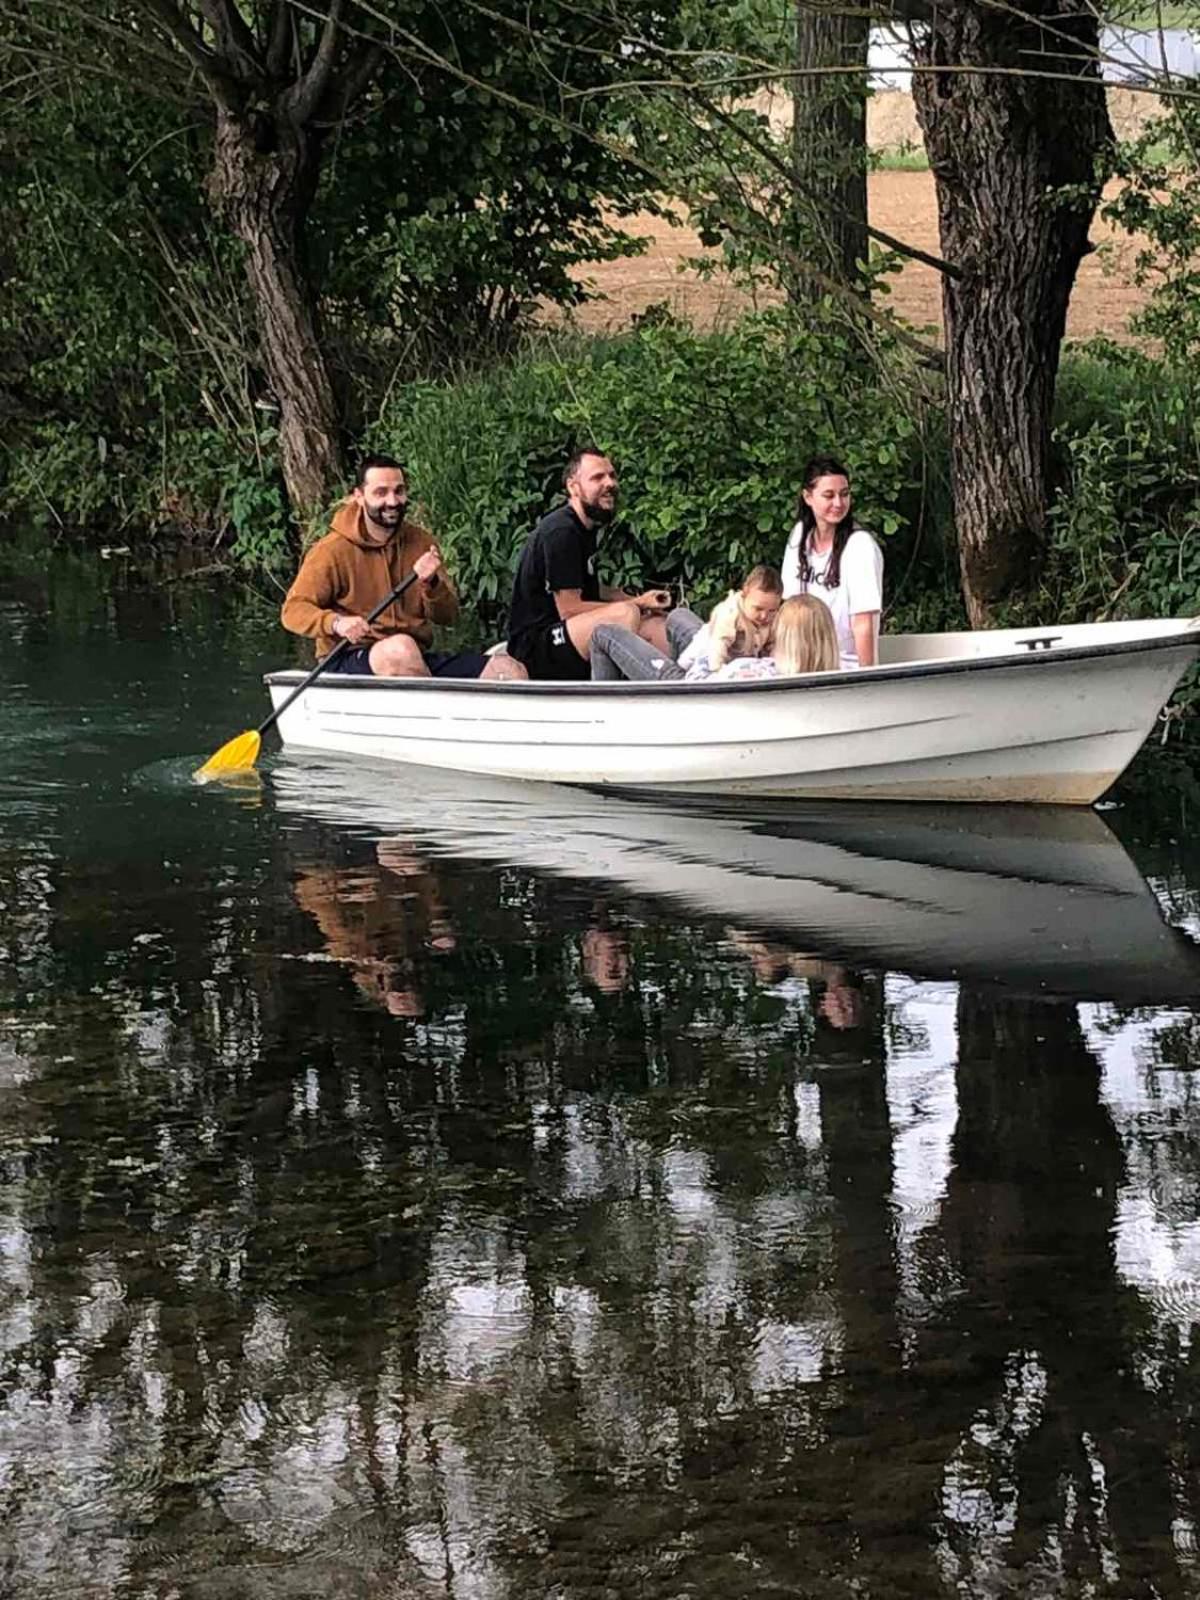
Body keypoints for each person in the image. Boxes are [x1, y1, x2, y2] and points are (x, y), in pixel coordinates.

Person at [281, 454, 525, 680]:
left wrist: (432, 585)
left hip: (414, 659)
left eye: (399, 491)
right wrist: (336, 623)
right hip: (349, 658)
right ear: (359, 496)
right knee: (400, 650)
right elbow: (293, 611)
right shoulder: (332, 550)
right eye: (381, 493)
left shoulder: (421, 542)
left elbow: (448, 617)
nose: (392, 501)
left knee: (509, 669)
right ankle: (440, 717)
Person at [506, 446, 672, 681]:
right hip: (536, 648)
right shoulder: (562, 532)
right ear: (573, 487)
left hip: (568, 635)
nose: (610, 483)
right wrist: (635, 604)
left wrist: (641, 600)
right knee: (624, 615)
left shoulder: (585, 528)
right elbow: (569, 608)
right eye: (597, 477)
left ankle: (686, 682)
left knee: (657, 623)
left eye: (612, 475)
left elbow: (589, 588)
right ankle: (623, 693)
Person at [590, 564, 783, 683]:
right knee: (678, 615)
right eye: (758, 609)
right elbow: (718, 646)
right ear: (744, 593)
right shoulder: (730, 615)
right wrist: (717, 670)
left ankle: (672, 686)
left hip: (703, 681)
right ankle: (678, 676)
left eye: (771, 611)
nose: (764, 616)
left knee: (603, 634)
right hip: (710, 669)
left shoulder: (769, 626)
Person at [781, 454, 883, 669]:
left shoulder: (859, 546)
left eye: (844, 494)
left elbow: (863, 622)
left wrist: (867, 680)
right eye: (829, 495)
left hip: (843, 664)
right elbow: (788, 606)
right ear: (808, 497)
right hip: (800, 661)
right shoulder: (799, 536)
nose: (838, 503)